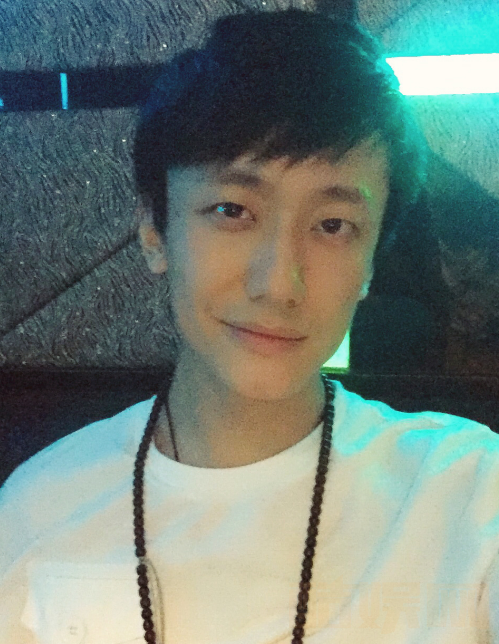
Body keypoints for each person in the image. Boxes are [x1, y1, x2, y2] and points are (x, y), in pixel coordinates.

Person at [1, 7, 498, 643]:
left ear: (372, 260)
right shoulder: (41, 508)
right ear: (154, 230)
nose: (278, 283)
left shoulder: (465, 492)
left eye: (332, 225)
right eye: (233, 210)